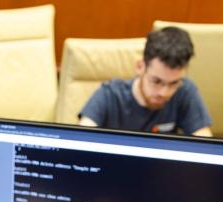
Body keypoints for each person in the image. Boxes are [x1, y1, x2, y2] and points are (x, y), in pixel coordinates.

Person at [79, 27, 213, 137]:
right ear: (140, 67)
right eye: (156, 81)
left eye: (173, 83)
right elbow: (82, 139)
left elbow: (205, 144)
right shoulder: (108, 95)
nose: (164, 93)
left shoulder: (185, 91)